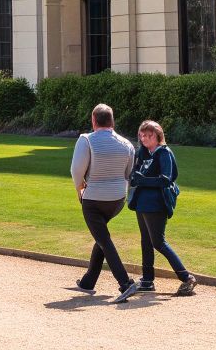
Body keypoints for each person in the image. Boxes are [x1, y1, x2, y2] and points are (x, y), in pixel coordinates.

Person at [67, 103, 141, 303]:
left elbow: (76, 170)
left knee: (104, 240)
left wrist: (80, 189)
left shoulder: (86, 140)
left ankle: (125, 283)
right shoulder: (127, 144)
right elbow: (128, 173)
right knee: (101, 236)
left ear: (93, 120)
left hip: (93, 198)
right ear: (112, 121)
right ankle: (88, 282)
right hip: (117, 200)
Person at [129, 120, 196, 297]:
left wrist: (143, 180)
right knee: (145, 241)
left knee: (158, 242)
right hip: (142, 202)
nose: (144, 138)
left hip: (156, 203)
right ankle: (147, 280)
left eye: (149, 135)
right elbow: (136, 174)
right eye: (142, 135)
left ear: (158, 136)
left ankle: (187, 277)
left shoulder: (164, 153)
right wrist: (135, 177)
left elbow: (166, 179)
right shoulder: (143, 153)